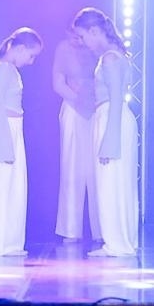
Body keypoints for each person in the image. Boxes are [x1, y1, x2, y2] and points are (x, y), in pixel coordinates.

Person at [74, 8, 139, 257]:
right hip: (112, 118)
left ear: (94, 31)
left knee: (111, 180)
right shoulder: (115, 56)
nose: (83, 43)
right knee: (114, 181)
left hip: (112, 119)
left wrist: (109, 140)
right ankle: (120, 240)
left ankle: (117, 243)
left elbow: (114, 99)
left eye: (83, 36)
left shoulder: (110, 59)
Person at [0, 28, 43, 256]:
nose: (32, 61)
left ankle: (10, 242)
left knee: (14, 187)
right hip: (2, 126)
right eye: (31, 55)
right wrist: (3, 143)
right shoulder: (2, 70)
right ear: (20, 48)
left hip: (13, 127)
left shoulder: (10, 70)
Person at [51, 29, 100, 242]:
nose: (78, 40)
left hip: (97, 109)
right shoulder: (64, 49)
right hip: (73, 108)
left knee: (98, 170)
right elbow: (58, 83)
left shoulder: (98, 49)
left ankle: (102, 229)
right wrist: (78, 100)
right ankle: (70, 229)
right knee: (72, 169)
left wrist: (94, 103)